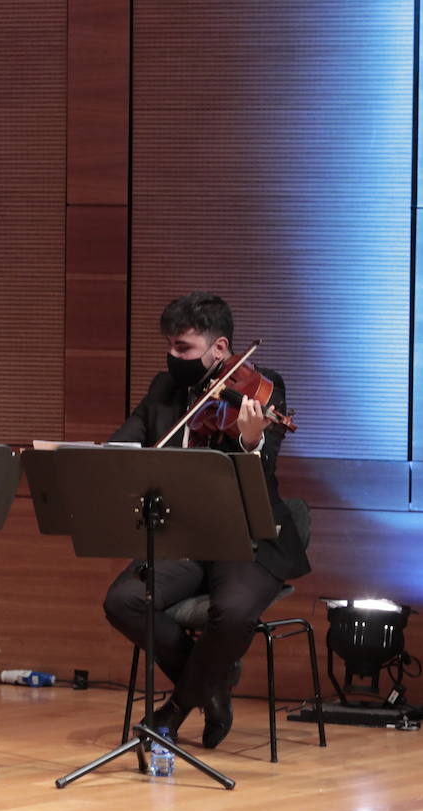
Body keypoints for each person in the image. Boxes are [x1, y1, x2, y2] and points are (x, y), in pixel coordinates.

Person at [101, 291, 310, 749]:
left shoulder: (261, 385)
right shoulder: (164, 390)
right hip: (187, 538)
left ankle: (174, 712)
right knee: (123, 600)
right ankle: (212, 683)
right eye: (170, 347)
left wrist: (250, 441)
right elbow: (123, 446)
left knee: (232, 611)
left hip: (248, 539)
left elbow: (263, 466)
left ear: (220, 348)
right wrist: (101, 460)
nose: (173, 358)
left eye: (184, 349)